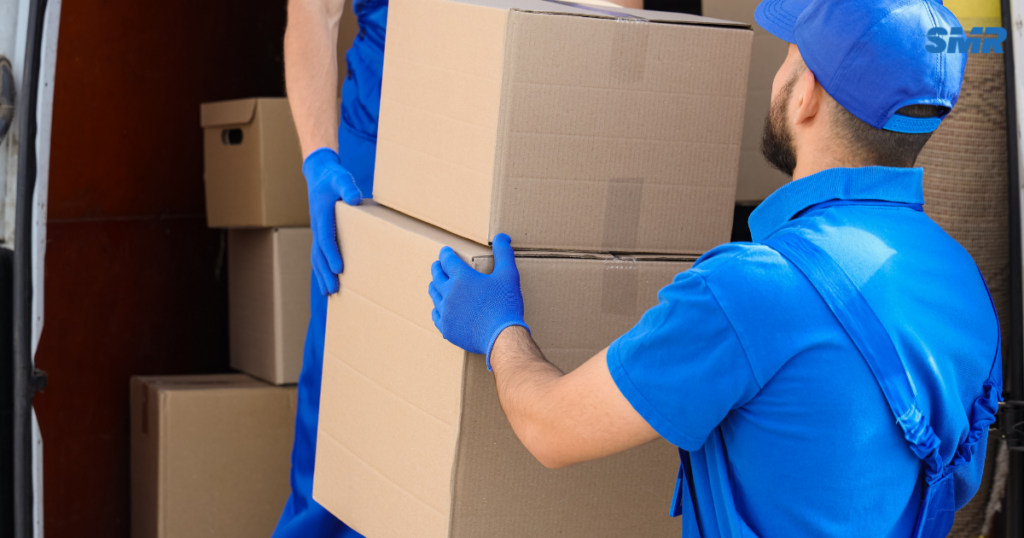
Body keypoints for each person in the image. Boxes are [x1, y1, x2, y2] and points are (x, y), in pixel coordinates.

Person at [428, 0, 1002, 536]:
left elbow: (550, 429)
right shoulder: (965, 285)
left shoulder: (754, 290)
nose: (779, 75)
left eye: (788, 57)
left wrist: (498, 329)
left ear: (808, 96)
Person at [275, 0, 644, 535]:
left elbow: (610, 18)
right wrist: (318, 158)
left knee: (464, 439)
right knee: (342, 434)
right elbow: (314, 13)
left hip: (514, 147)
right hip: (371, 162)